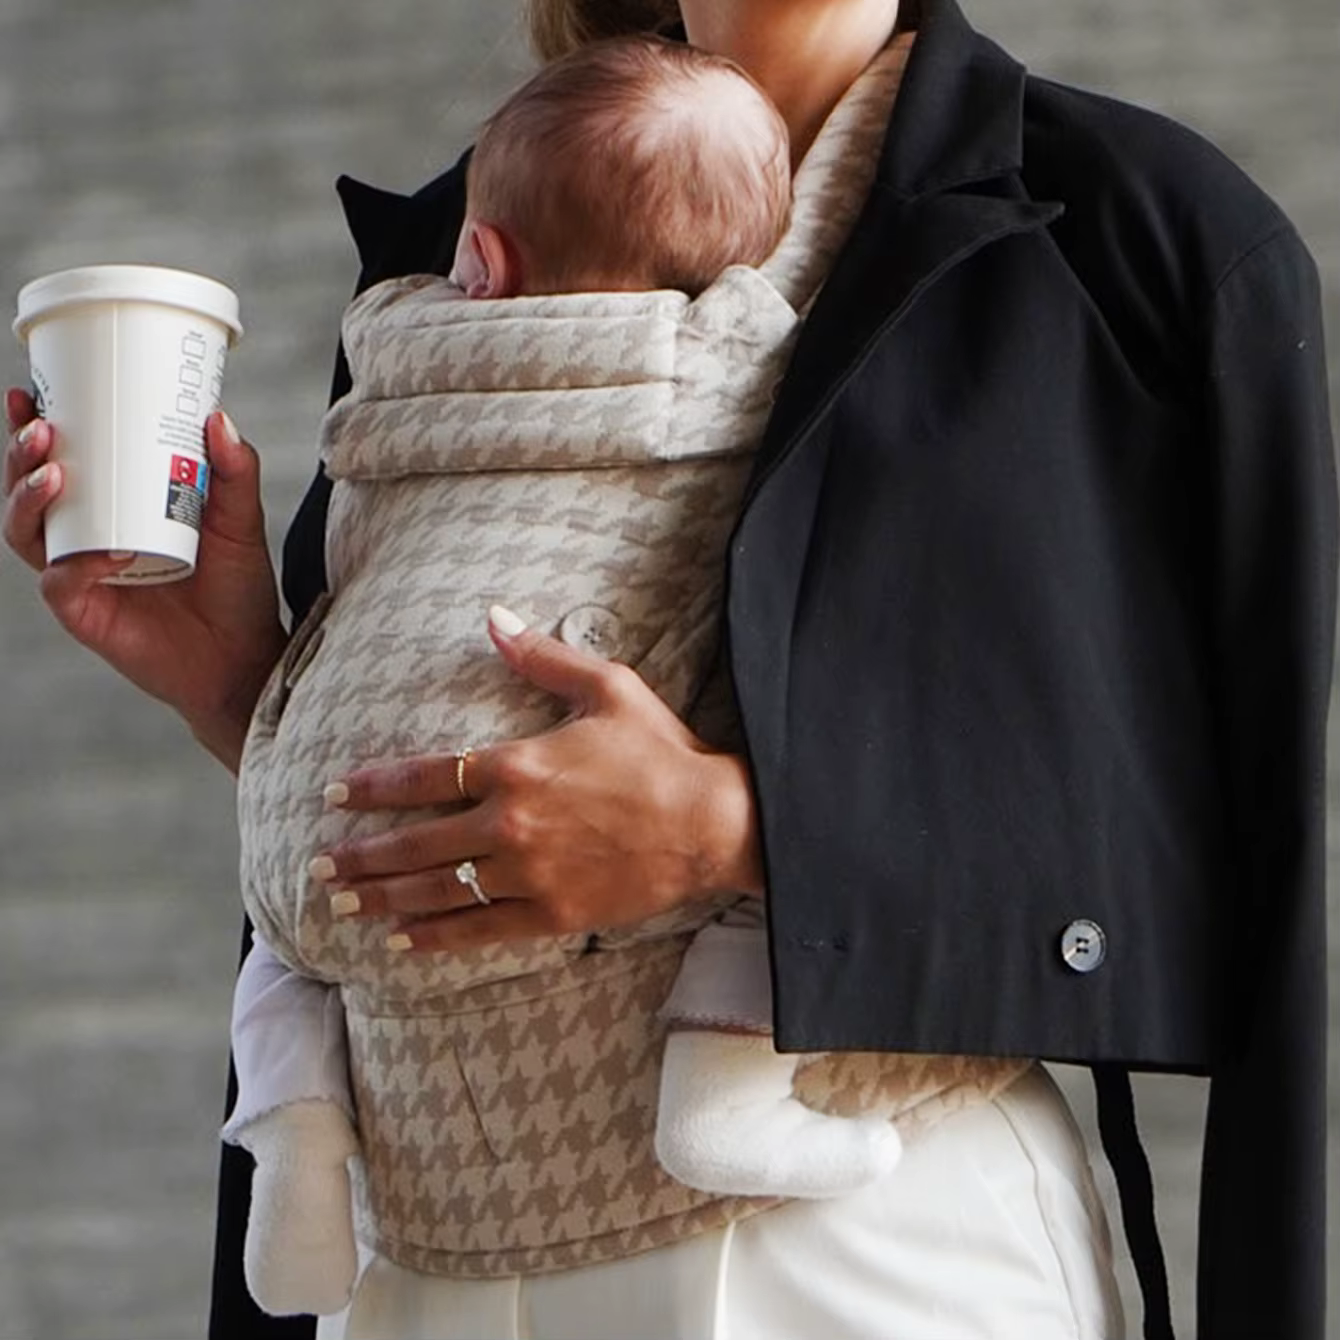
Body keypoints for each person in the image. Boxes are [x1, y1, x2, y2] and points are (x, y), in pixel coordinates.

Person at [3, 0, 1332, 1336]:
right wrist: (241, 684)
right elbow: (439, 770)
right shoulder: (462, 231)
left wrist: (733, 833)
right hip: (415, 1262)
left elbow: (1251, 877)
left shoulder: (1137, 240)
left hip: (847, 1245)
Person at [226, 34, 971, 1321]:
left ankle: (293, 1132)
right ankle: (722, 1081)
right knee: (756, 709)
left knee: (290, 930)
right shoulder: (751, 368)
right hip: (524, 1100)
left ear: (478, 259)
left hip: (324, 852)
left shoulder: (398, 375)